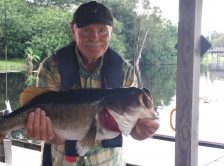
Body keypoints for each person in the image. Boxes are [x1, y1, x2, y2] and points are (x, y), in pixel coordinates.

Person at [25, 1, 160, 165]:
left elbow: (132, 129)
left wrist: (142, 132)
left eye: (102, 30)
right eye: (87, 30)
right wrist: (47, 133)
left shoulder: (126, 71)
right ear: (73, 30)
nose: (95, 37)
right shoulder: (51, 67)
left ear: (112, 32)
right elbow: (52, 131)